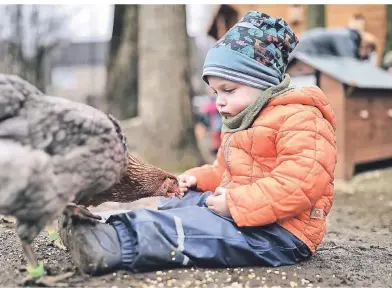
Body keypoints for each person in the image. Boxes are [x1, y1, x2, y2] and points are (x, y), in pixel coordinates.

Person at [60, 10, 337, 275]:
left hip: (281, 233)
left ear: (264, 82)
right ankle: (105, 226)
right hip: (248, 212)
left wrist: (237, 204)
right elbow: (225, 171)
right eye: (215, 92)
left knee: (192, 228)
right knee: (182, 202)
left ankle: (112, 241)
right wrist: (197, 178)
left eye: (229, 90)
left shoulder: (301, 119)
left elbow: (301, 184)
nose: (220, 101)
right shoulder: (246, 117)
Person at [288, 25, 377, 63]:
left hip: (303, 46)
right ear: (364, 45)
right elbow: (348, 62)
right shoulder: (346, 37)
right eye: (367, 51)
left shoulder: (348, 36)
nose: (365, 54)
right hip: (304, 48)